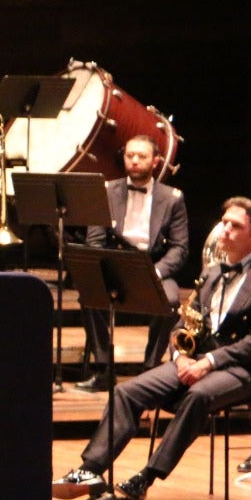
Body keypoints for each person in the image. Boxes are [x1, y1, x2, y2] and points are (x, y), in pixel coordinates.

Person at [54, 198, 251, 500]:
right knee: (127, 392)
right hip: (197, 361)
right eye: (224, 222)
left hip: (246, 370)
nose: (225, 231)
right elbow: (183, 323)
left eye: (235, 226)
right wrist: (181, 355)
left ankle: (146, 477)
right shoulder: (213, 272)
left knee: (198, 396)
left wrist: (208, 363)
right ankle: (90, 470)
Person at [77, 135, 191, 390]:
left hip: (154, 266)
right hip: (115, 263)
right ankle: (104, 368)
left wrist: (157, 272)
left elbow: (180, 248)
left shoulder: (173, 197)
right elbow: (94, 240)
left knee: (172, 301)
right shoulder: (106, 191)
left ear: (155, 162)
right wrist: (107, 270)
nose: (135, 161)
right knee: (88, 297)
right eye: (130, 156)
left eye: (142, 156)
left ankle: (150, 368)